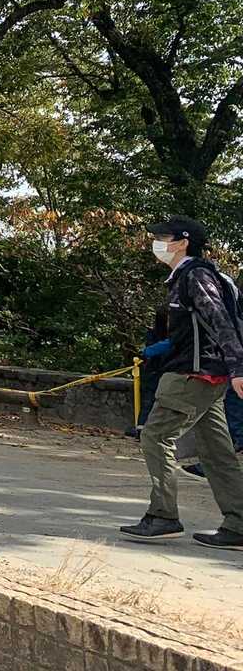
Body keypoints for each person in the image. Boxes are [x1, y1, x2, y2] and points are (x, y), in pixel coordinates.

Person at [120, 216, 243, 547]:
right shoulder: (190, 276)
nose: (157, 243)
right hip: (206, 375)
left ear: (183, 243)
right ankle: (239, 524)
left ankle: (163, 516)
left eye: (163, 237)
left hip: (194, 374)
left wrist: (238, 368)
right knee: (216, 451)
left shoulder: (195, 276)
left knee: (156, 436)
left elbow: (219, 320)